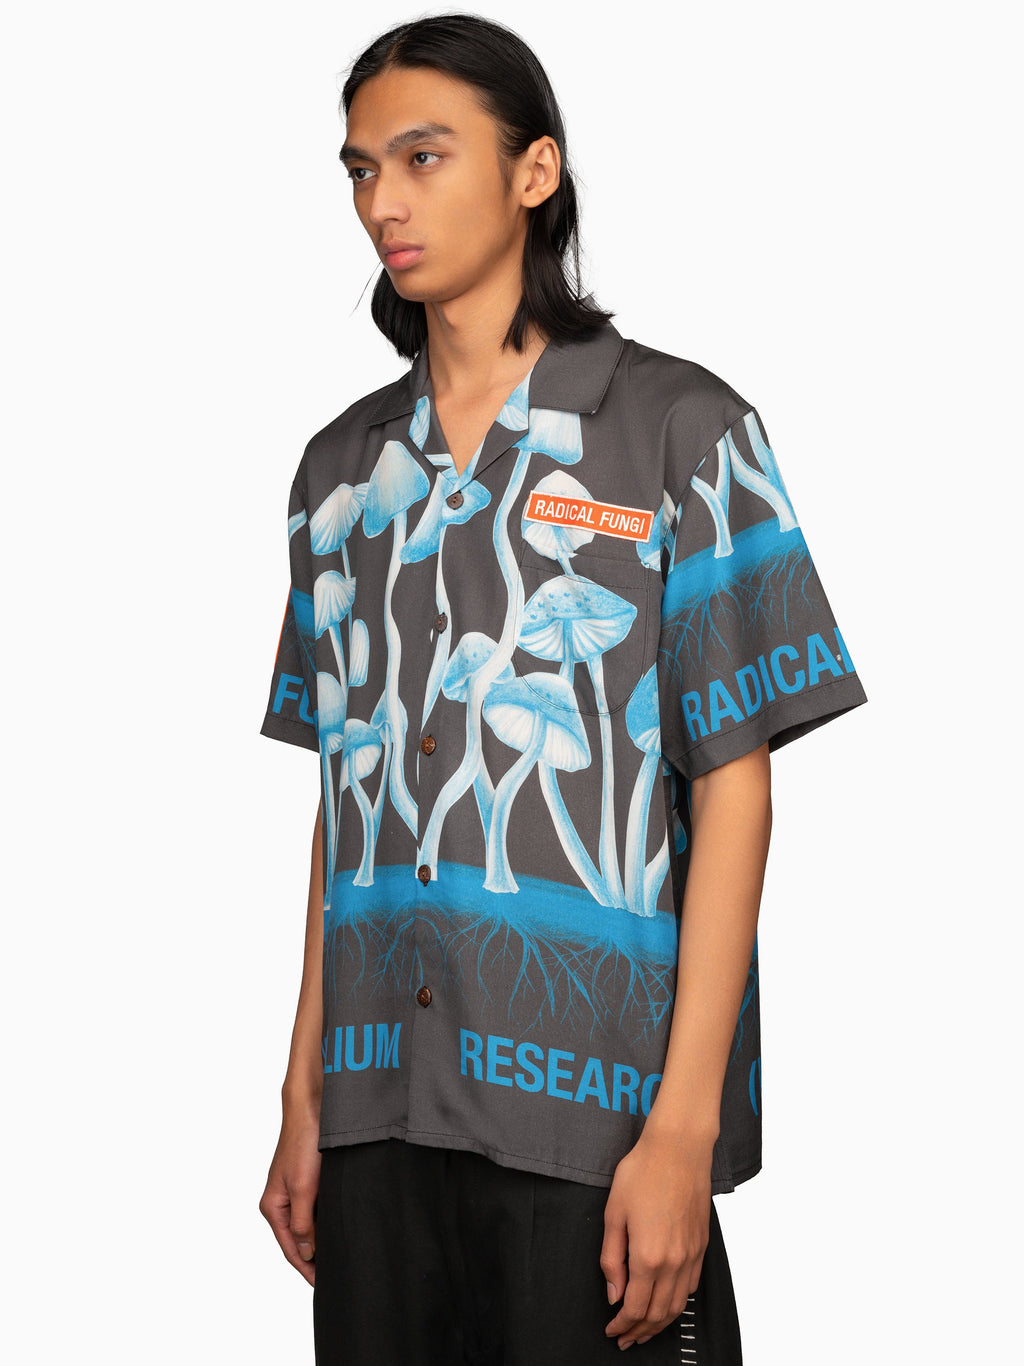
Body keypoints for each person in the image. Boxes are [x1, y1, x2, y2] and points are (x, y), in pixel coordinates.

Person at [257, 13, 868, 1364]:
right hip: (375, 1113)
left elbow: (736, 782)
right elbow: (344, 797)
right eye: (361, 169)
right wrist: (303, 1093)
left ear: (534, 171)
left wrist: (683, 1131)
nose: (383, 202)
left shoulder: (681, 431)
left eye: (423, 157)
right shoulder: (340, 472)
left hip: (597, 1122)